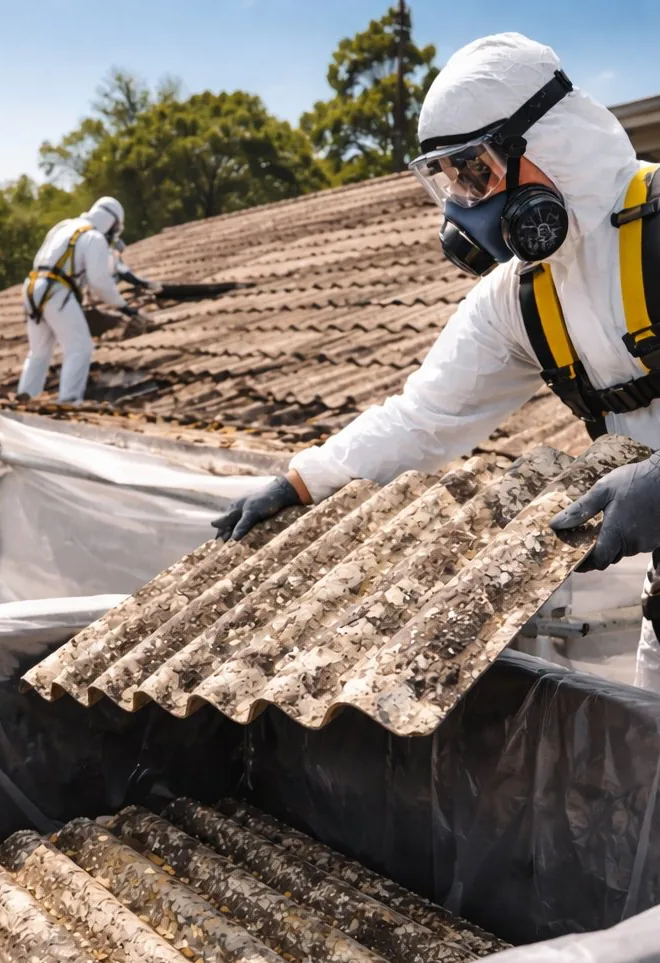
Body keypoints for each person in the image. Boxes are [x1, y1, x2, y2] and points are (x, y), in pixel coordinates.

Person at [211, 32, 660, 687]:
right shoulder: (523, 296)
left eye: (476, 172)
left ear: (550, 145)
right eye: (450, 179)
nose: (464, 204)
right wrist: (301, 482)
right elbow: (424, 416)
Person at [18, 196, 150, 404]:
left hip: (33, 287)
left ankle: (25, 395)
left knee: (39, 351)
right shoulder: (94, 237)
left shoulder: (64, 227)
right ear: (112, 223)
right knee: (80, 347)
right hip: (56, 291)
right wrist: (123, 307)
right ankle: (69, 400)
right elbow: (99, 281)